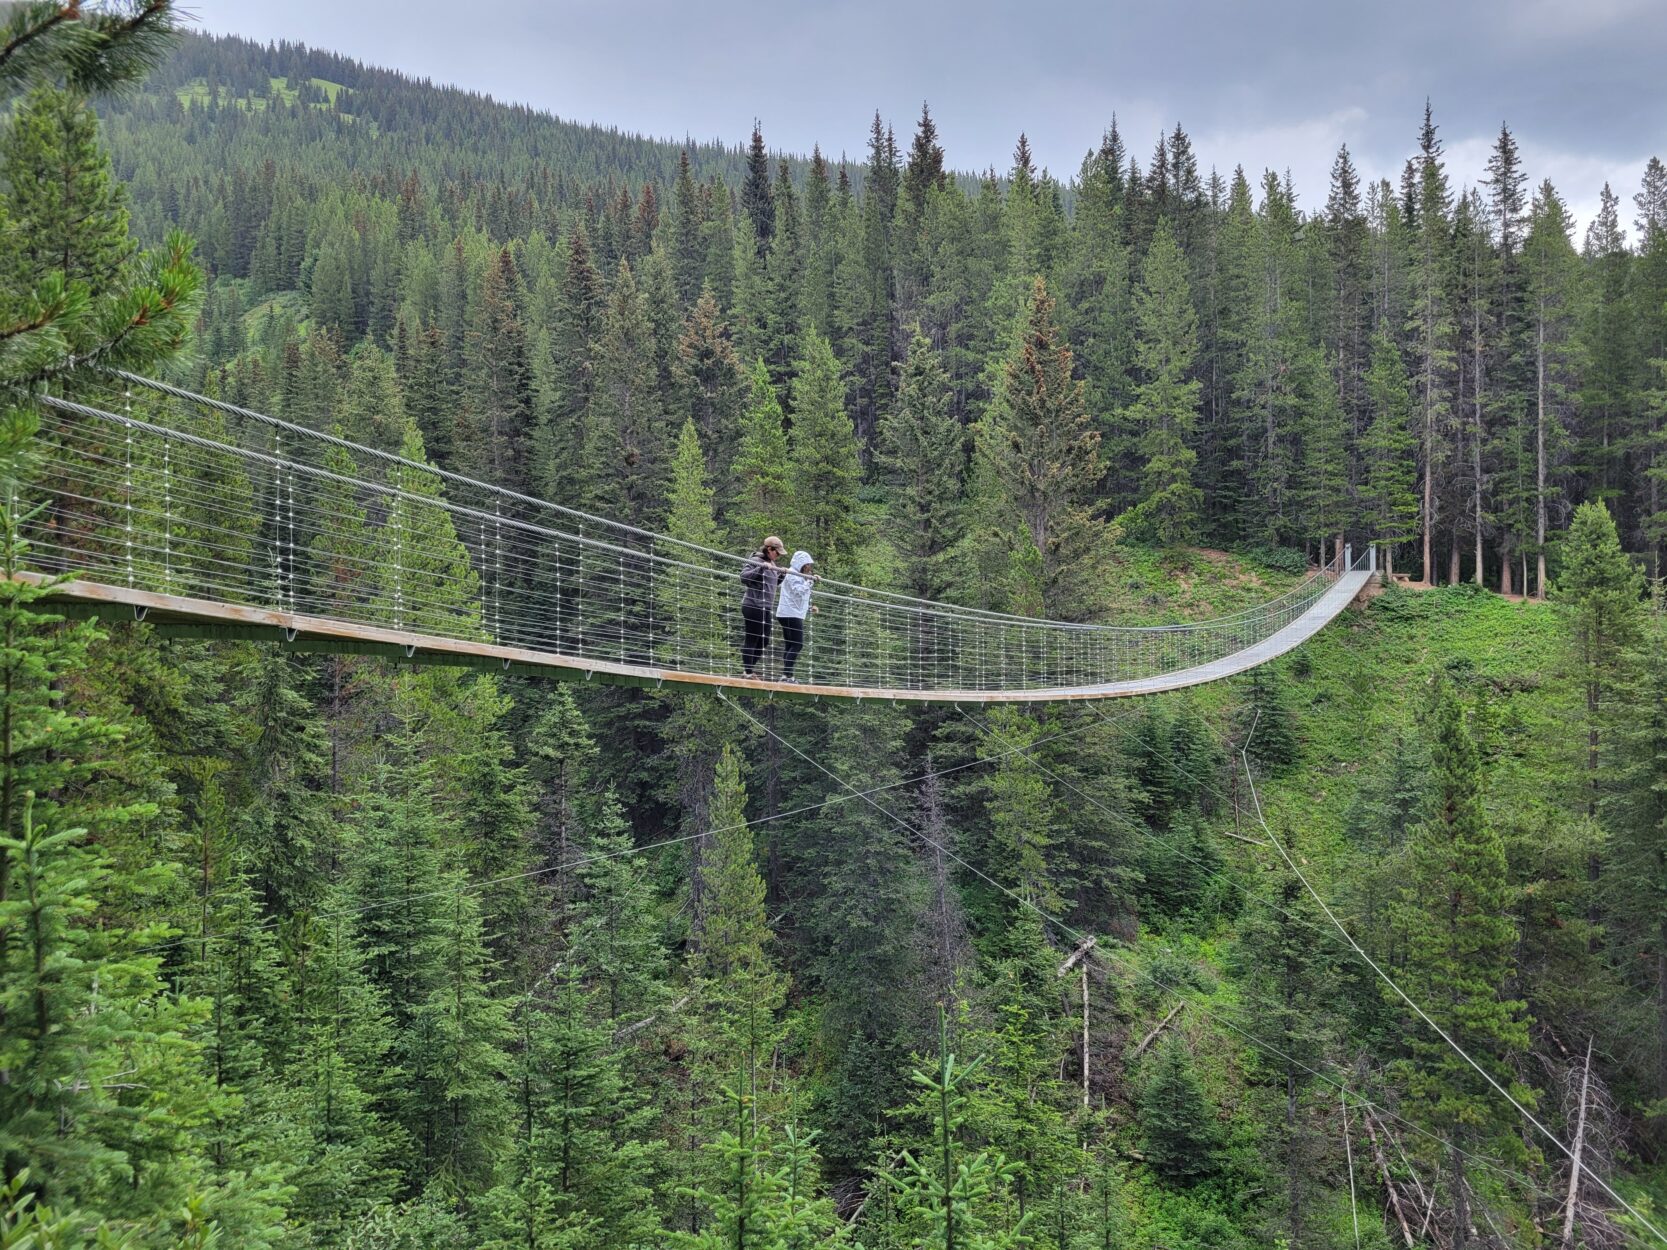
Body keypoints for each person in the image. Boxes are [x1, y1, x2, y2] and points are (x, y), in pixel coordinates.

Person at [739, 536, 784, 677]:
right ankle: (748, 672)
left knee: (764, 641)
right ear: (769, 549)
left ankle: (748, 670)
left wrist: (782, 575)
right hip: (753, 605)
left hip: (765, 607)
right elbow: (744, 577)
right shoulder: (755, 561)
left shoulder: (772, 564)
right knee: (752, 639)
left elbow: (771, 584)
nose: (778, 556)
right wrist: (761, 568)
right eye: (777, 552)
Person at [775, 550, 818, 682]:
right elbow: (799, 591)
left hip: (788, 613)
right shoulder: (793, 574)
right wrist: (811, 581)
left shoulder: (796, 575)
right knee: (797, 644)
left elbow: (794, 597)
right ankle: (787, 675)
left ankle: (787, 675)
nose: (809, 568)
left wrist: (809, 608)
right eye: (808, 565)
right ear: (803, 564)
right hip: (791, 614)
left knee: (790, 645)